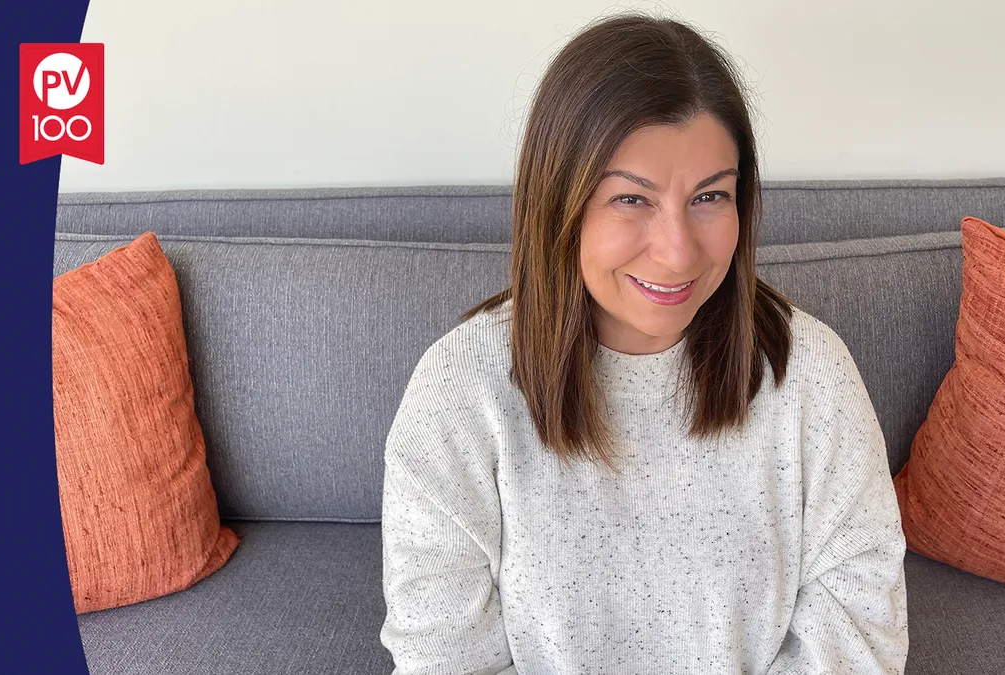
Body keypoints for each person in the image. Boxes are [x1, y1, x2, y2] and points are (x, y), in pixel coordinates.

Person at [379, 13, 908, 674]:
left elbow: (860, 633)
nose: (678, 250)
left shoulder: (810, 372)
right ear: (558, 202)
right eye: (632, 199)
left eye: (710, 195)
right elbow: (442, 657)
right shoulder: (459, 389)